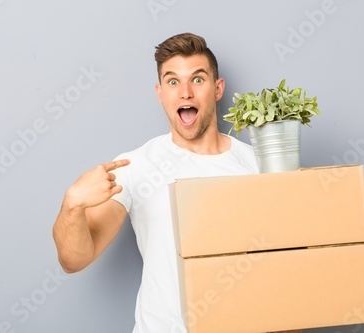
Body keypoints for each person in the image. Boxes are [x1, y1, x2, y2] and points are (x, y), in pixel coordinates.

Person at [52, 32, 302, 333]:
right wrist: (72, 204)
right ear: (160, 92)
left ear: (218, 88)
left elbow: (289, 266)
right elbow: (73, 260)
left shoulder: (258, 165)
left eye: (197, 79)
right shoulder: (136, 167)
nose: (185, 92)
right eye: (173, 82)